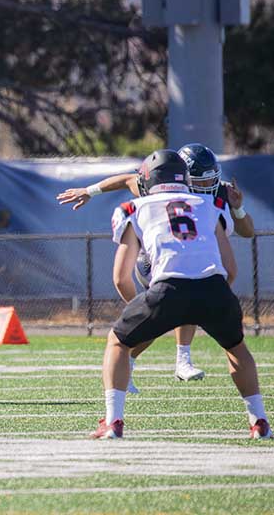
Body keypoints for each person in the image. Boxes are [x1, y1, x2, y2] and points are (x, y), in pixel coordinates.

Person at [91, 149, 269, 440]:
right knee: (237, 348)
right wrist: (215, 298)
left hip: (166, 289)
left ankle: (113, 422)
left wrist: (141, 307)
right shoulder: (208, 204)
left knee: (118, 342)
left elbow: (121, 277)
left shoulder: (132, 208)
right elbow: (230, 268)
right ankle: (259, 421)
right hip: (214, 288)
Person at [56, 143, 254, 389]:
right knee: (162, 313)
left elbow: (248, 232)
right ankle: (135, 362)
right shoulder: (158, 190)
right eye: (201, 182)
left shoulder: (219, 194)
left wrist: (238, 207)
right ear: (181, 176)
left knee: (188, 291)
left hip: (195, 262)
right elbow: (127, 179)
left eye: (211, 180)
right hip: (154, 260)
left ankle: (176, 360)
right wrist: (89, 190)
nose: (208, 188)